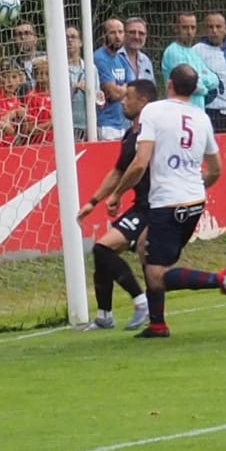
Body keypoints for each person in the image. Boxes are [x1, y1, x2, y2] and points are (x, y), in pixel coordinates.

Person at [110, 66, 226, 337]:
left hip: (168, 204)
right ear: (194, 90)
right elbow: (216, 168)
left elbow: (139, 163)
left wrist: (117, 194)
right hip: (194, 202)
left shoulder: (154, 111)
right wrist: (193, 185)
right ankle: (157, 324)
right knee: (145, 246)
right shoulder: (201, 117)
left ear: (169, 83)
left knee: (157, 273)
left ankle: (220, 279)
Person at [76, 80, 159, 330]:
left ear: (143, 102)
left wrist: (117, 195)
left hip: (154, 206)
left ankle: (141, 302)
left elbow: (137, 167)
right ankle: (104, 316)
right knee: (102, 253)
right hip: (140, 205)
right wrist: (93, 201)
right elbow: (117, 171)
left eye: (128, 97)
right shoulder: (130, 134)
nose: (123, 101)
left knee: (103, 249)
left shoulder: (152, 133)